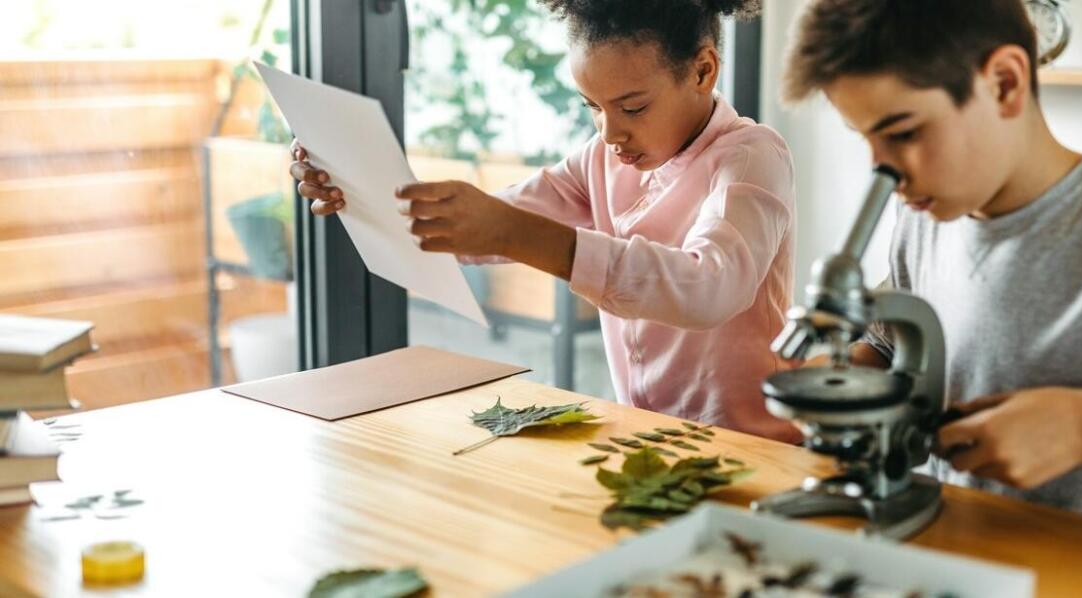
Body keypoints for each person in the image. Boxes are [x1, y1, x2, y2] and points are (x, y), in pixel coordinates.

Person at [290, 0, 801, 441]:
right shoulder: (600, 161)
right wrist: (355, 189)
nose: (608, 133)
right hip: (651, 436)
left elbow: (709, 288)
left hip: (751, 442)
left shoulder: (752, 159)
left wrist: (519, 235)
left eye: (632, 107)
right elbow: (489, 221)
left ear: (702, 71)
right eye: (593, 108)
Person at [784, 0, 1082, 531]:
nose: (883, 171)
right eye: (866, 139)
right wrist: (837, 376)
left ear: (1005, 84)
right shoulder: (925, 216)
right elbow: (886, 346)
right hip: (960, 549)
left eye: (903, 133)